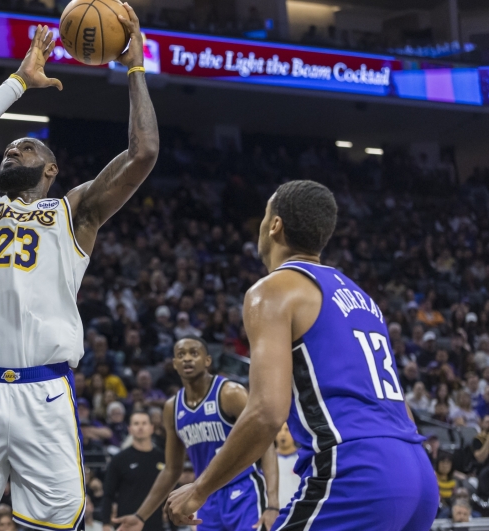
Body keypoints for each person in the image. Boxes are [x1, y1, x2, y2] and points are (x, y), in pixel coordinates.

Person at [0, 15, 159, 530]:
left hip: (46, 391)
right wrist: (18, 80)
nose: (12, 150)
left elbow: (144, 152)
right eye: (10, 148)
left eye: (27, 148)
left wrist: (135, 69)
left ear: (52, 170)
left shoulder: (75, 211)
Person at [166, 181, 438, 529]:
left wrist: (200, 488)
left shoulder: (273, 289)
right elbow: (399, 404)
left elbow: (266, 412)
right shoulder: (362, 298)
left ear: (275, 225)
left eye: (265, 216)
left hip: (357, 469)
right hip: (417, 471)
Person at [115, 337, 279, 531]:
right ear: (174, 364)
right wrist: (141, 516)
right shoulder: (172, 408)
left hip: (244, 492)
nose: (187, 359)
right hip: (205, 497)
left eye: (194, 353)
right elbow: (171, 470)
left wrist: (273, 504)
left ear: (207, 360)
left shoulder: (230, 393)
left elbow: (266, 444)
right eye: (181, 355)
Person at [100, 411, 165, 531]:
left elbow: (171, 491)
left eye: (144, 423)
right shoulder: (119, 459)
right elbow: (108, 494)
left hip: (156, 525)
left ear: (152, 428)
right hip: (127, 525)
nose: (140, 427)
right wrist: (105, 524)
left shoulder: (162, 458)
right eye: (136, 423)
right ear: (129, 429)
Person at [274, 423, 300, 509]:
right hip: (276, 513)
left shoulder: (302, 458)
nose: (282, 434)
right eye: (279, 430)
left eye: (286, 430)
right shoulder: (267, 463)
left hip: (298, 510)